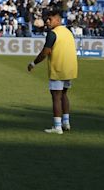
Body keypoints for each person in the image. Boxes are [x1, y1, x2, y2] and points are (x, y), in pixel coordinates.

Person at [27, 7, 78, 135]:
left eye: (50, 19)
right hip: (69, 69)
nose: (47, 22)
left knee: (56, 97)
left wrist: (33, 63)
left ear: (58, 19)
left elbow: (46, 52)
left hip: (58, 69)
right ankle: (66, 123)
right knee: (64, 95)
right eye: (46, 19)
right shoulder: (68, 32)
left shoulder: (53, 33)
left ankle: (57, 127)